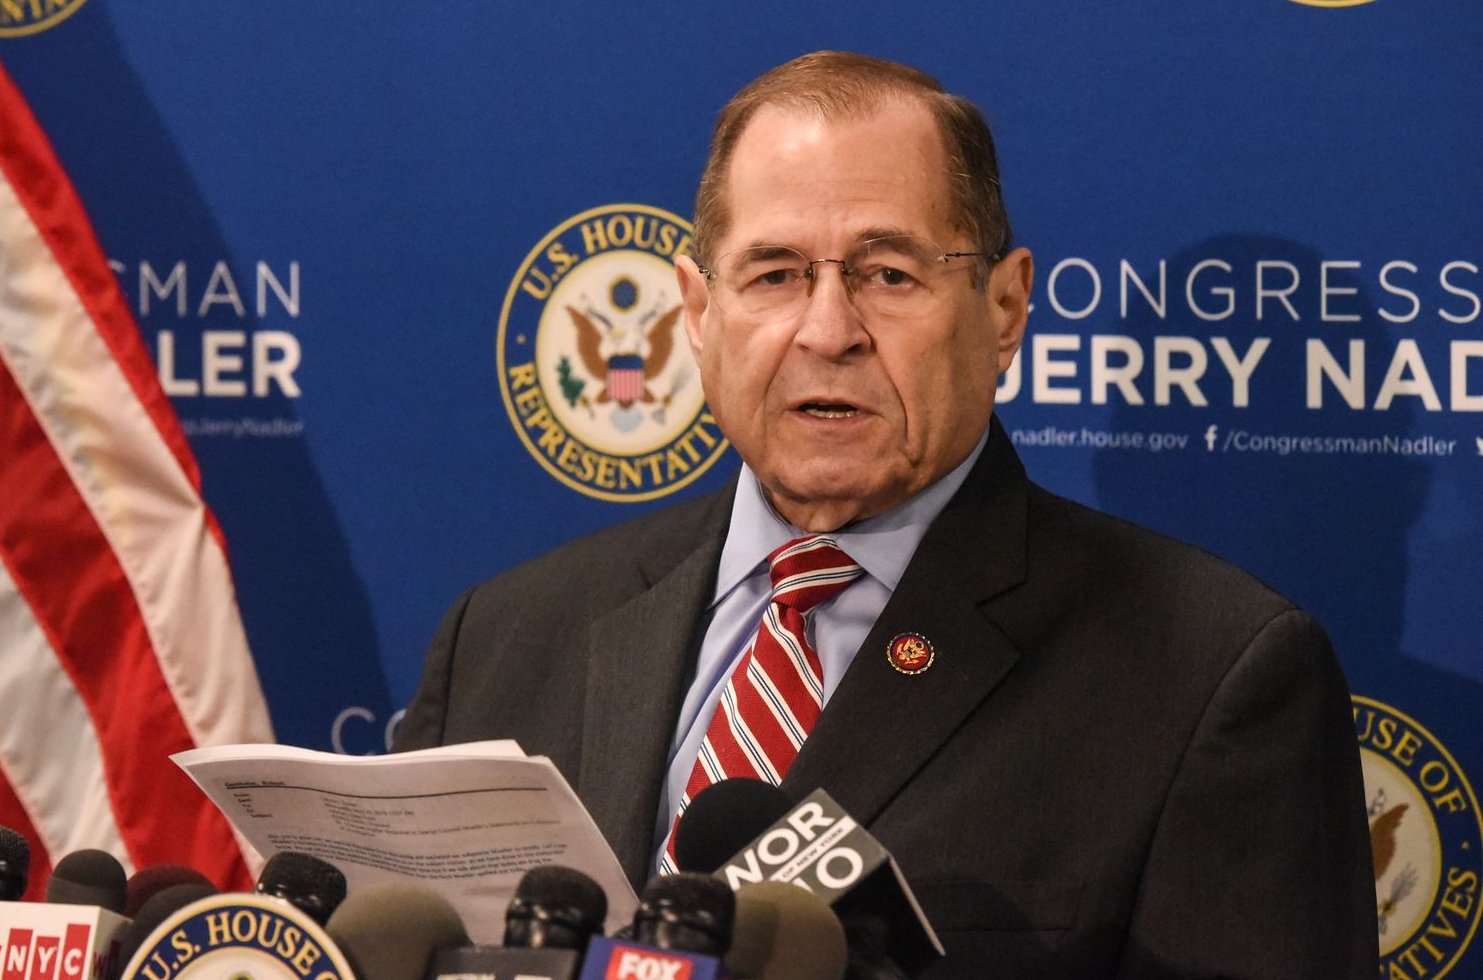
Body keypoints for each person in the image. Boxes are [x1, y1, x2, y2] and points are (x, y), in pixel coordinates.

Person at [395, 51, 1375, 978]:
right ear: (697, 314)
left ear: (1003, 308)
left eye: (888, 275)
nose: (828, 331)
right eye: (775, 274)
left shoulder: (1213, 674)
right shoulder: (508, 635)